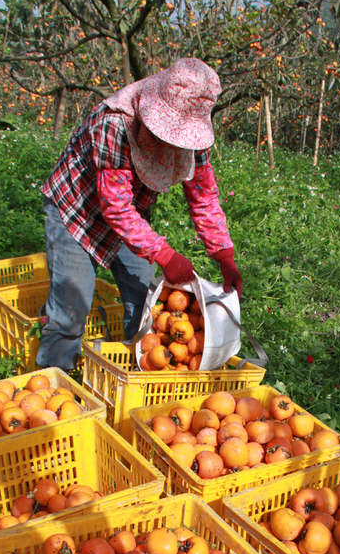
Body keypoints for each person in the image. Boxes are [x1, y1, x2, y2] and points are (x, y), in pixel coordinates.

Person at [37, 57, 242, 371]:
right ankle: (54, 383)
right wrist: (165, 255)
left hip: (132, 215)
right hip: (76, 212)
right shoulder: (114, 123)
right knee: (70, 313)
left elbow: (203, 196)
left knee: (147, 303)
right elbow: (115, 206)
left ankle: (136, 377)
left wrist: (223, 254)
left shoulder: (193, 139)